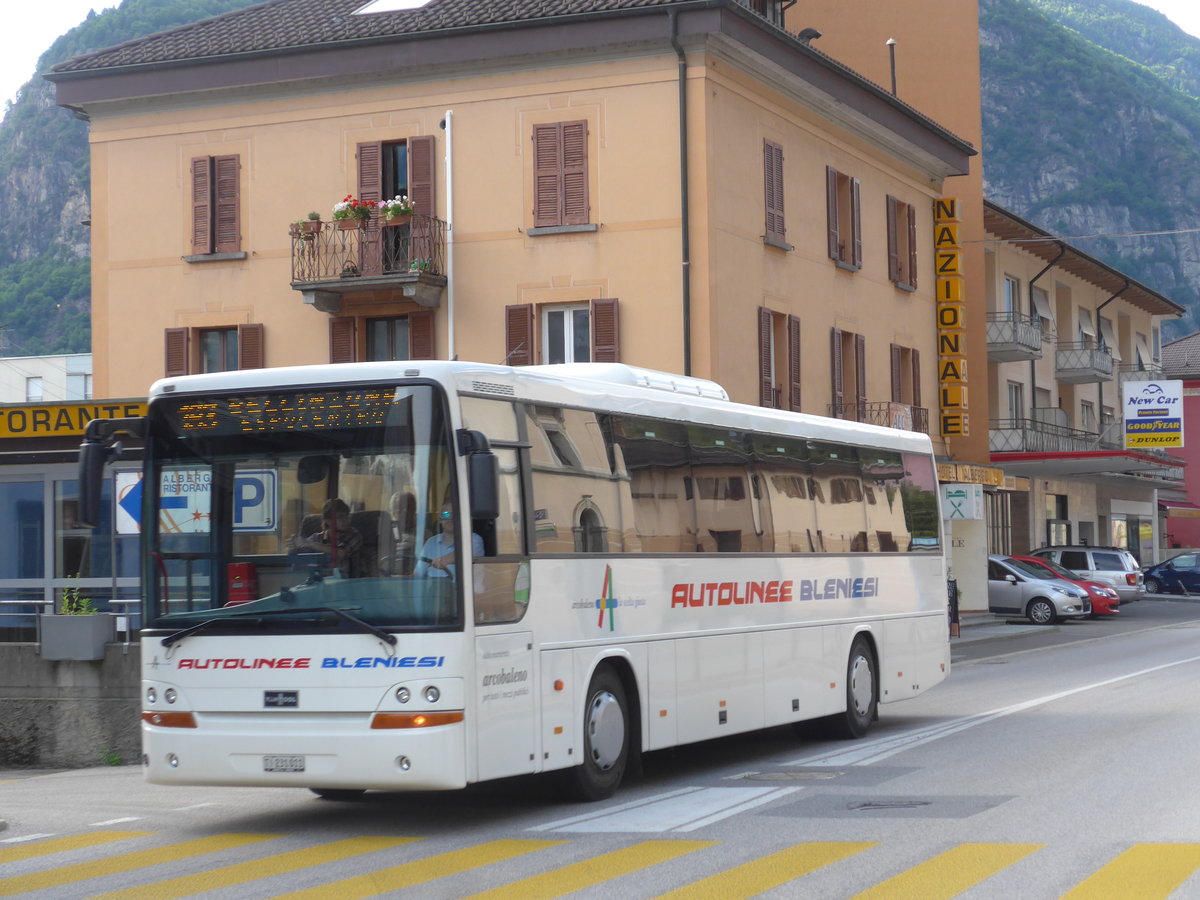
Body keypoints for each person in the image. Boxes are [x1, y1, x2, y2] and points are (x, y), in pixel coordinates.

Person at [289, 498, 367, 578]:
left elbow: (340, 553)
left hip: (350, 586)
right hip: (323, 586)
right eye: (340, 517)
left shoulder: (354, 535)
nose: (346, 520)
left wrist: (309, 544)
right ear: (328, 521)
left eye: (347, 516)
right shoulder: (317, 538)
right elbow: (297, 563)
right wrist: (294, 548)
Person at [414, 503, 484, 581]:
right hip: (438, 591)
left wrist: (444, 561)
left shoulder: (474, 539)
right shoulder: (430, 543)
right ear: (440, 519)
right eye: (446, 514)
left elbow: (465, 552)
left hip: (467, 592)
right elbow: (418, 574)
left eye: (455, 514)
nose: (450, 518)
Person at [383, 491, 417, 575]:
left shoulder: (424, 534)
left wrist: (417, 544)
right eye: (400, 508)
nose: (405, 512)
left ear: (414, 510)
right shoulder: (385, 534)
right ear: (393, 512)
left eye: (409, 507)